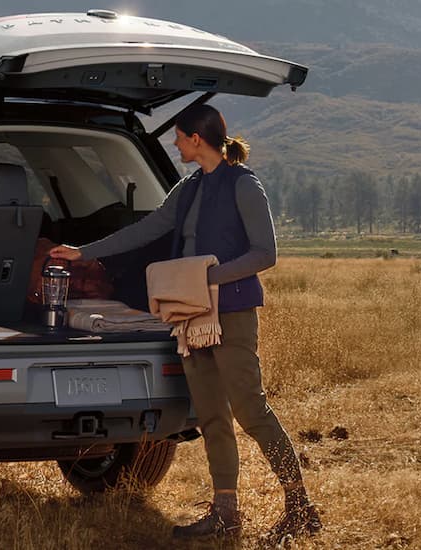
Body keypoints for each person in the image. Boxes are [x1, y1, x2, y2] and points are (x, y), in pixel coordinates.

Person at [48, 104, 320, 542]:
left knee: (251, 411)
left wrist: (206, 277)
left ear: (197, 138)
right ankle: (226, 513)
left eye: (178, 136)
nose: (174, 144)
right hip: (191, 315)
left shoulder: (244, 185)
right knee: (212, 416)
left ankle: (299, 506)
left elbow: (265, 254)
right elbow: (149, 228)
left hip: (230, 312)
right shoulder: (189, 188)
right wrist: (83, 252)